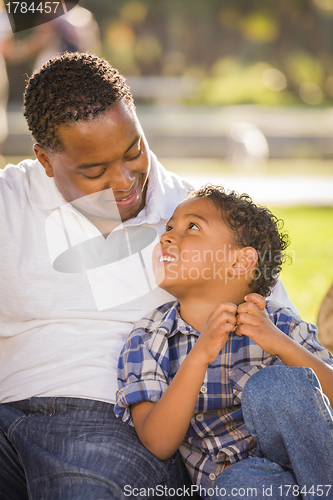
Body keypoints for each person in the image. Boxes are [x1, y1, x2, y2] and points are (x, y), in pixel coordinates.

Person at [0, 51, 295, 499]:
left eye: (133, 151)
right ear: (44, 159)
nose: (123, 181)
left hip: (106, 421)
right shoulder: (9, 201)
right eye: (94, 170)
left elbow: (284, 337)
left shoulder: (199, 219)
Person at [115, 185, 333, 500]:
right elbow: (158, 443)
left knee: (274, 386)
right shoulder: (149, 338)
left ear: (239, 263)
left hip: (317, 471)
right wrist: (199, 355)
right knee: (240, 480)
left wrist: (282, 345)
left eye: (192, 227)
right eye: (169, 227)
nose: (167, 236)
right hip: (247, 489)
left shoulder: (279, 324)